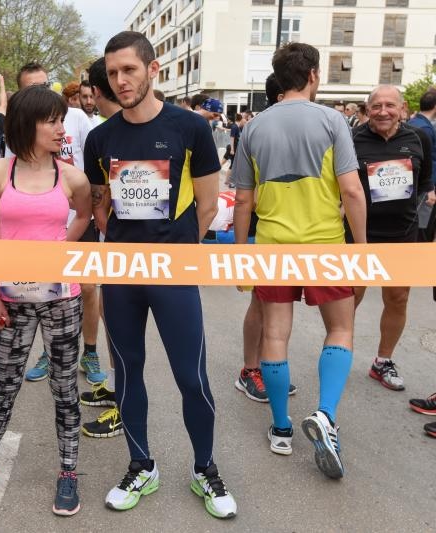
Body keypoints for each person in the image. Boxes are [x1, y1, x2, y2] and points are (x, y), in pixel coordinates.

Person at [85, 31, 236, 518]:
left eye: (129, 69)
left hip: (174, 270)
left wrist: (175, 253)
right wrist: (126, 249)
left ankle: (205, 469)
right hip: (123, 273)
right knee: (127, 374)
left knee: (191, 377)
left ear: (153, 70)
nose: (120, 80)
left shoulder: (190, 128)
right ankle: (140, 464)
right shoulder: (100, 138)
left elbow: (210, 204)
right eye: (112, 73)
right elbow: (101, 204)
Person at [0, 84, 91, 516]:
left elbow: (84, 214)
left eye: (61, 119)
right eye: (52, 120)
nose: (60, 128)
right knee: (4, 386)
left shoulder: (72, 176)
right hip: (11, 300)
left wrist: (59, 251)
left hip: (61, 299)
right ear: (28, 125)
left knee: (65, 388)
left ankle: (68, 472)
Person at [233, 42, 366, 479]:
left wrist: (241, 253)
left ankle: (281, 428)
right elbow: (350, 190)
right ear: (312, 74)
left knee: (275, 334)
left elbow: (244, 200)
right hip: (325, 243)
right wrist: (360, 247)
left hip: (273, 245)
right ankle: (325, 415)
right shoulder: (332, 120)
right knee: (341, 328)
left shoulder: (253, 127)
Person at [12, 63, 101, 387]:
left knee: (88, 287)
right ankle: (50, 352)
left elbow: (94, 165)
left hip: (77, 217)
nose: (41, 91)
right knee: (43, 294)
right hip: (39, 228)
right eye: (32, 87)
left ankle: (90, 351)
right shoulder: (19, 128)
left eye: (45, 84)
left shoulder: (77, 118)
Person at [351, 85, 434, 391]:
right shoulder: (352, 139)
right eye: (376, 106)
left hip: (403, 236)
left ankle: (383, 360)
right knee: (349, 299)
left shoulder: (419, 138)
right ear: (367, 109)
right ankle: (339, 353)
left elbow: (425, 185)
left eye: (390, 105)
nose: (383, 111)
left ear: (403, 108)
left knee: (398, 298)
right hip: (359, 236)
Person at [233, 72, 297, 403]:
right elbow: (243, 196)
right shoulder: (259, 129)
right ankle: (250, 369)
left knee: (276, 310)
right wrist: (241, 251)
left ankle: (269, 368)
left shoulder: (309, 127)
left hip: (305, 234)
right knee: (262, 304)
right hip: (271, 231)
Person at [78, 56, 124, 440]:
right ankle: (115, 387)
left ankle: (123, 405)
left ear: (94, 91)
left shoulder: (114, 132)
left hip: (129, 248)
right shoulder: (103, 131)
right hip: (115, 241)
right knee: (113, 317)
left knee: (123, 325)